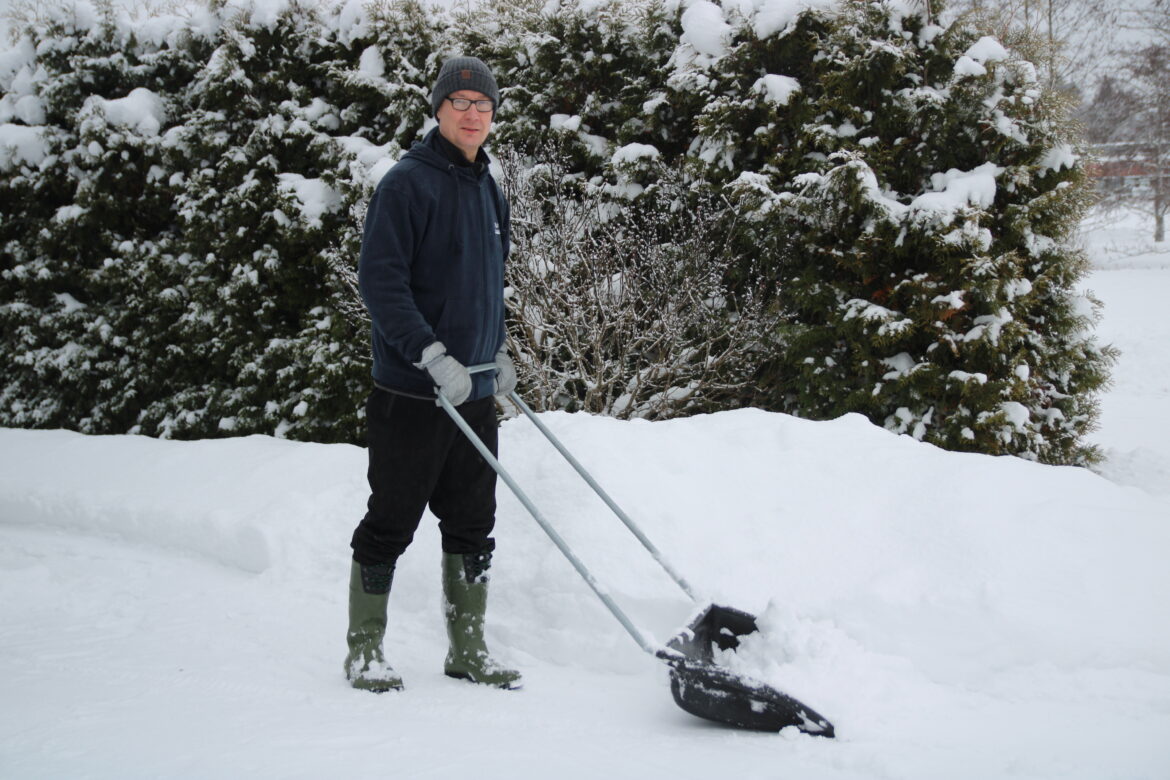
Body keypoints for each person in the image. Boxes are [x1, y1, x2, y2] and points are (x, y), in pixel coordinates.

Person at [343, 56, 521, 693]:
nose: (474, 114)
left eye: (484, 104)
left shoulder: (487, 185)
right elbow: (381, 283)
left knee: (474, 520)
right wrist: (430, 353)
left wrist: (494, 350)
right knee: (391, 518)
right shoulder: (406, 185)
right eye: (461, 102)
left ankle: (466, 648)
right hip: (413, 392)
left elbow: (487, 281)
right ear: (439, 109)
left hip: (471, 389)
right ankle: (364, 650)